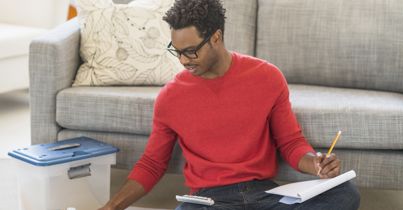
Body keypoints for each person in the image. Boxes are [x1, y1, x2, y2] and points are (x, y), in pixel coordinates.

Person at [99, 0, 360, 209]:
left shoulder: (266, 77)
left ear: (216, 37)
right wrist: (111, 207)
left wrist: (315, 163)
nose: (183, 60)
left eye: (191, 51)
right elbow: (152, 164)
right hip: (208, 201)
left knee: (344, 193)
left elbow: (291, 143)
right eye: (176, 51)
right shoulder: (170, 97)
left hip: (264, 195)